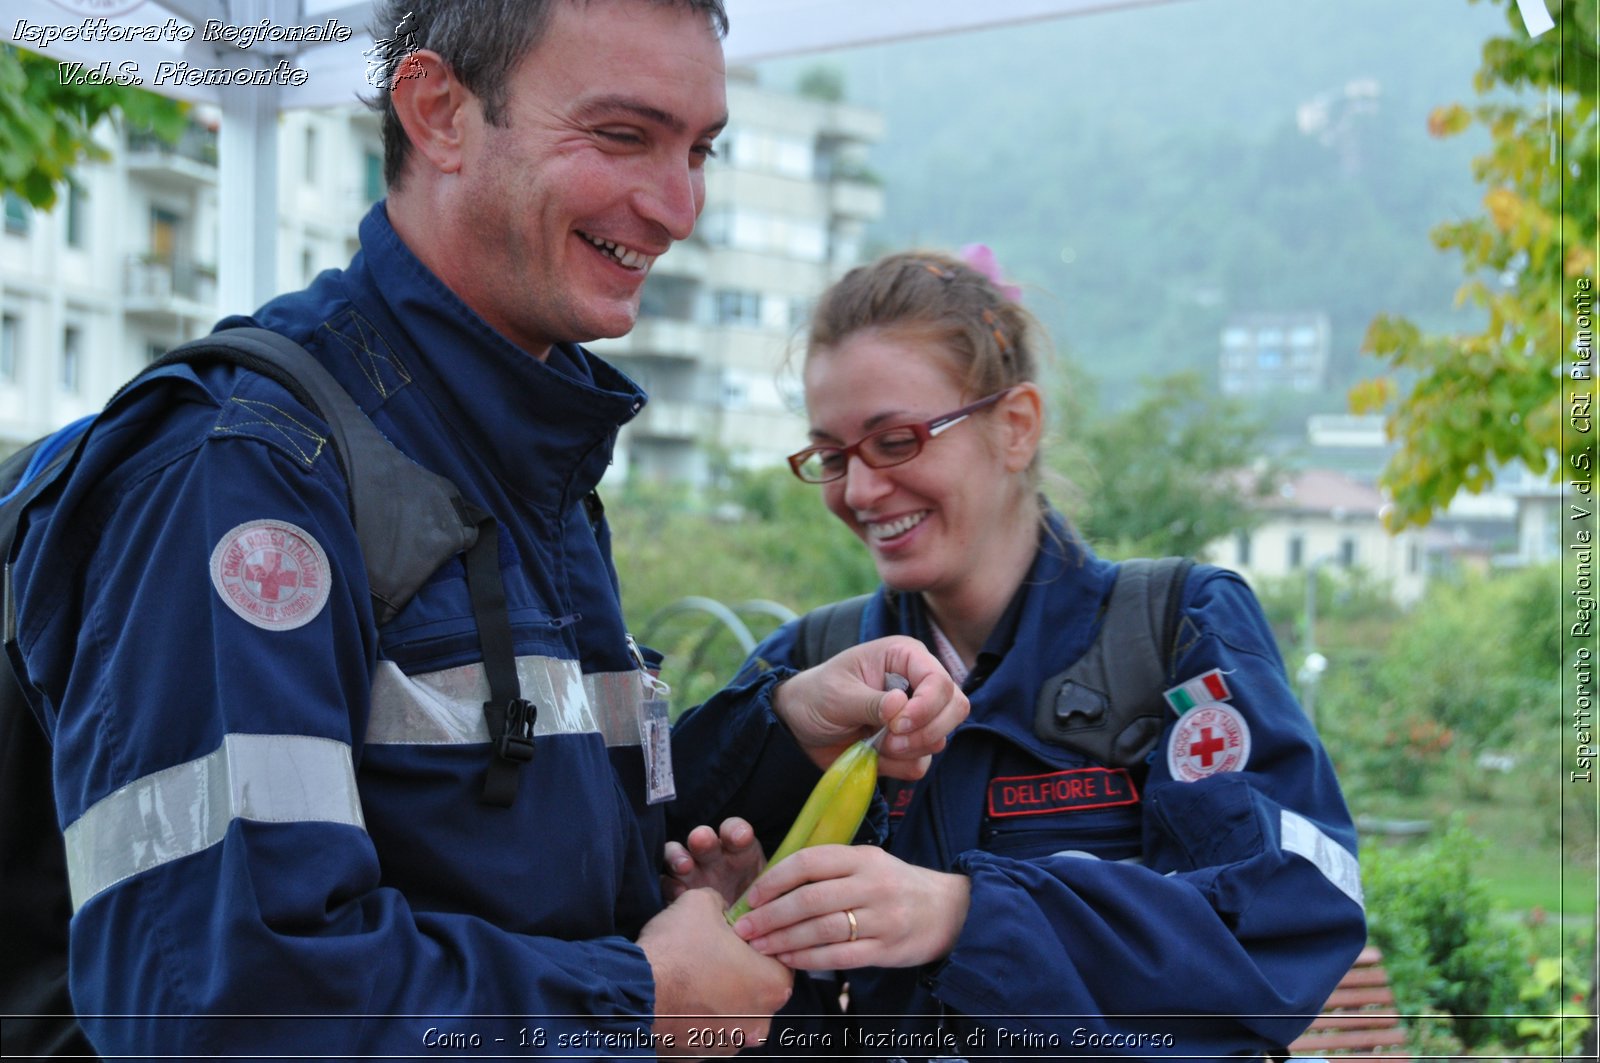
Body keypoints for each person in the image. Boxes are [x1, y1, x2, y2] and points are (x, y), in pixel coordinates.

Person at [6, 3, 967, 1057]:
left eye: (700, 150)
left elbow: (532, 853)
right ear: (438, 112)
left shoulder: (524, 446)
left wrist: (776, 737)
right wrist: (638, 1002)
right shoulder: (247, 469)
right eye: (621, 135)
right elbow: (223, 999)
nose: (677, 204)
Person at [666, 248, 1368, 1057]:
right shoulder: (800, 682)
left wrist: (966, 913)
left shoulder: (1180, 633)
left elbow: (1288, 921)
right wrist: (744, 934)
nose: (858, 492)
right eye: (832, 456)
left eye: (895, 440)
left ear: (1017, 425)